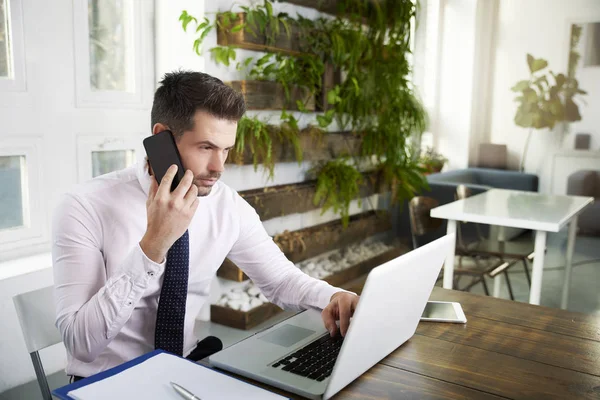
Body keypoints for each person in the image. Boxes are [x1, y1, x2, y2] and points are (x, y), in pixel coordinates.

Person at [52, 70, 359, 380]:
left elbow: (279, 280)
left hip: (185, 372)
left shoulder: (227, 205)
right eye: (206, 148)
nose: (218, 167)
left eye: (226, 149)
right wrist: (153, 245)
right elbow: (81, 346)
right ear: (162, 138)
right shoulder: (84, 206)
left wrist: (333, 297)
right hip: (107, 383)